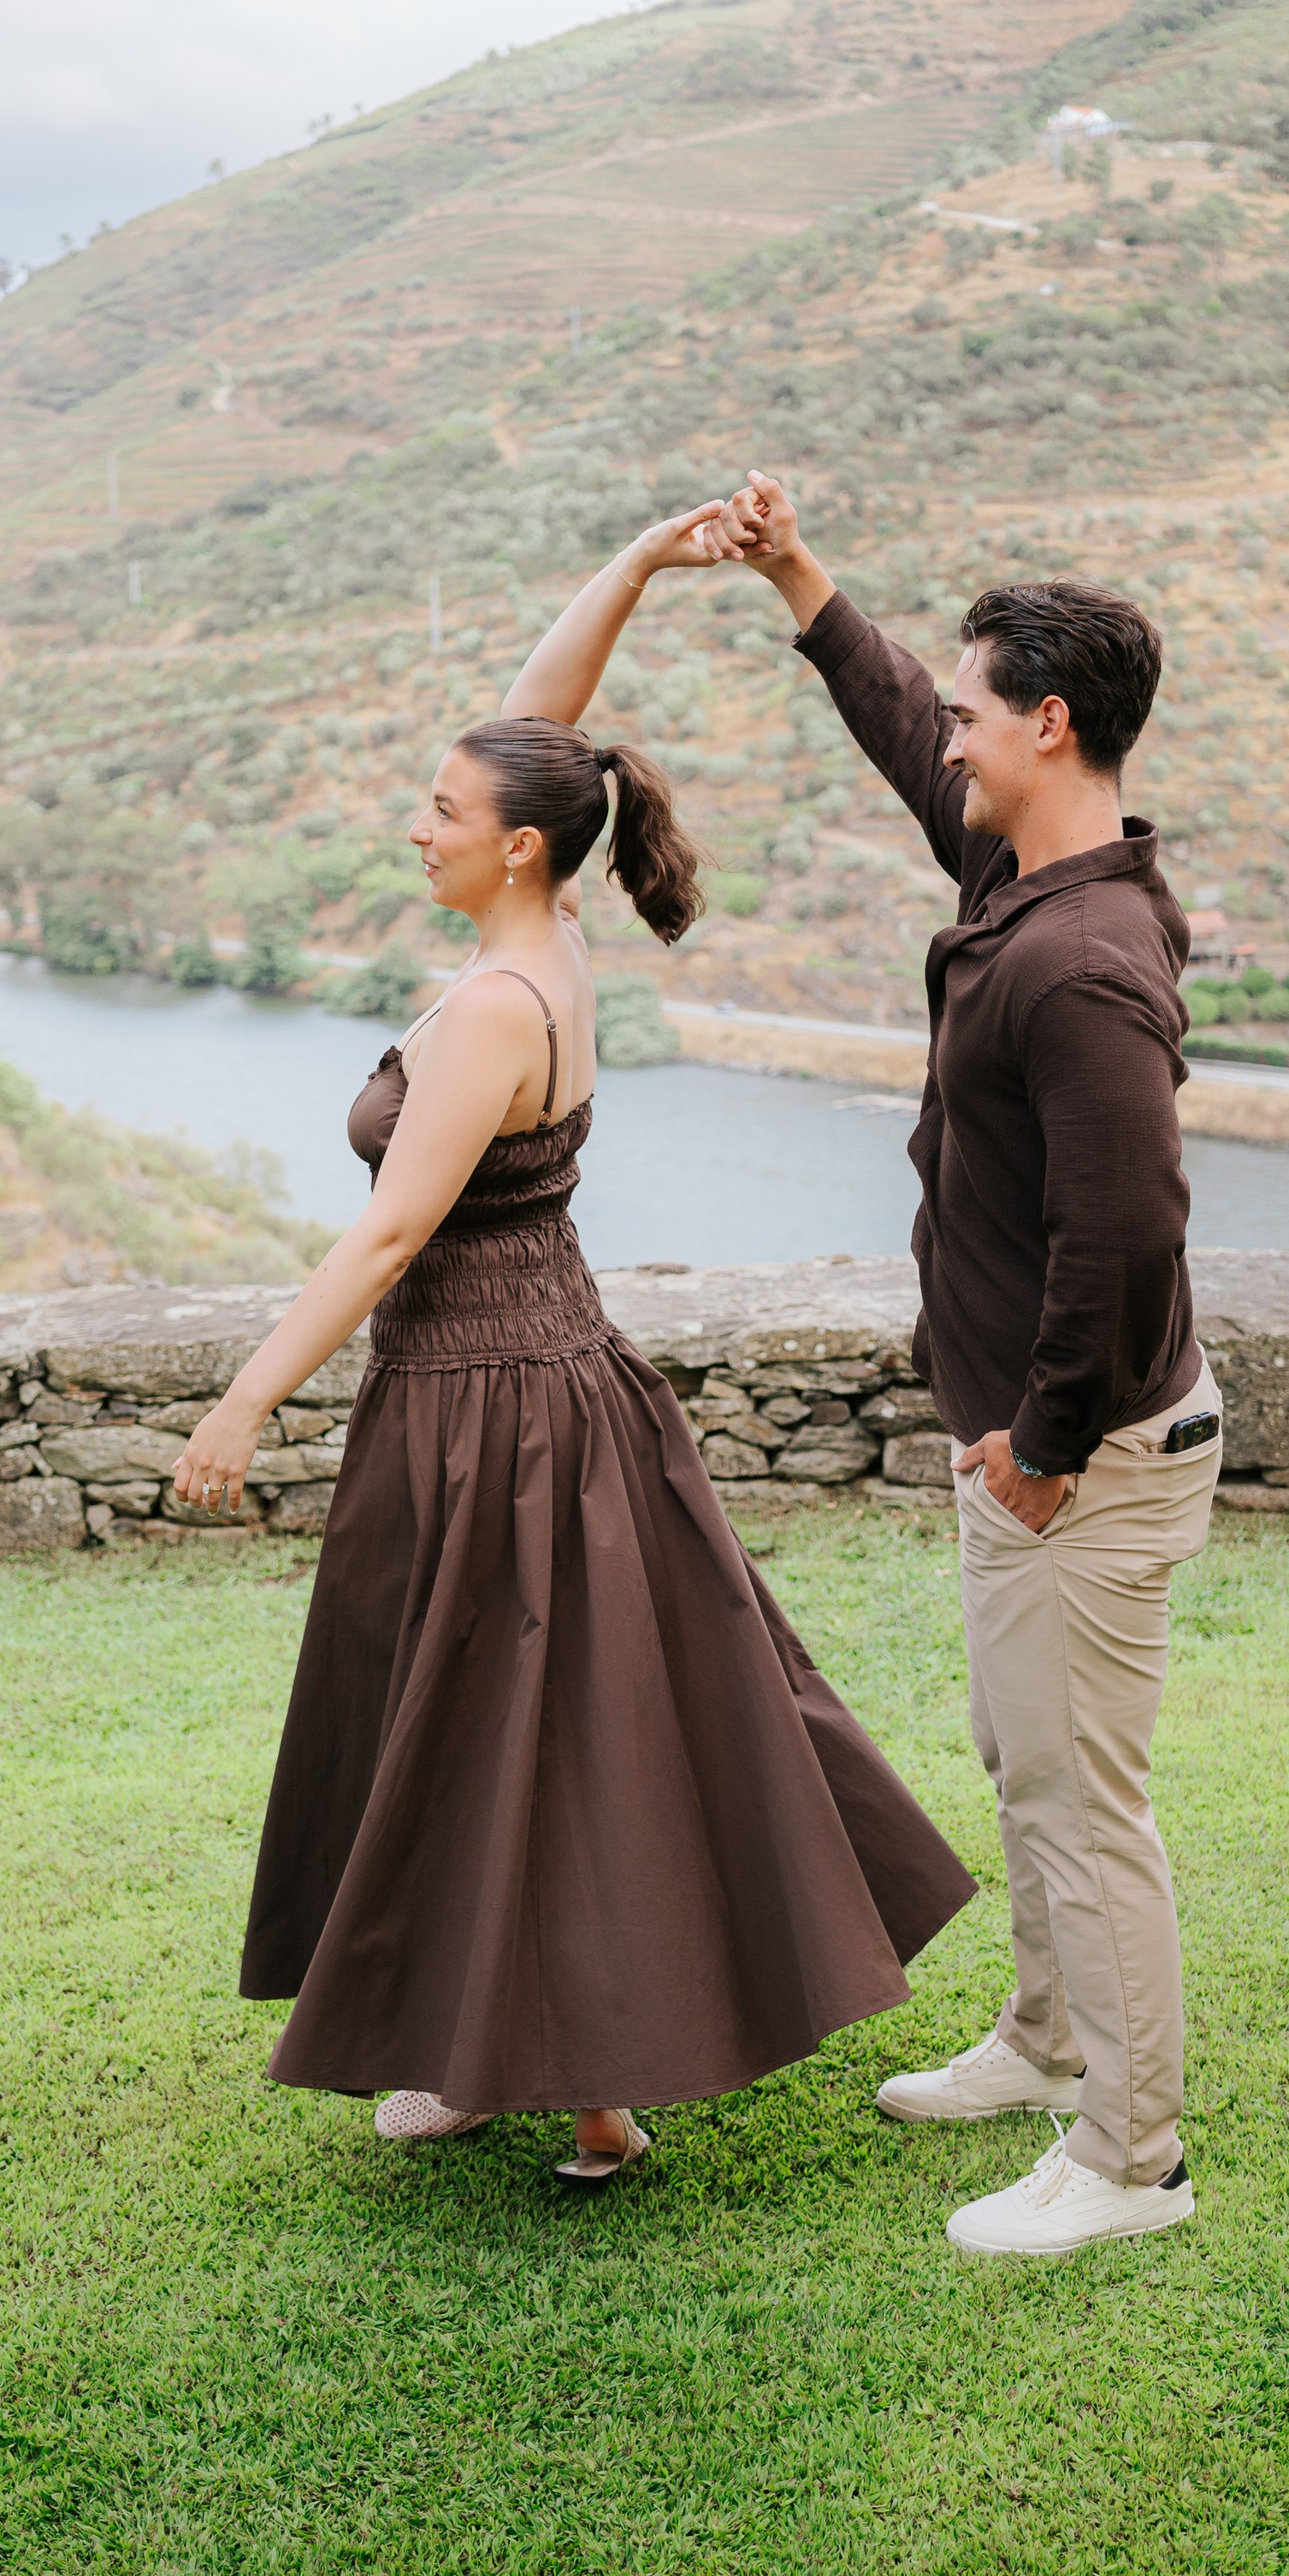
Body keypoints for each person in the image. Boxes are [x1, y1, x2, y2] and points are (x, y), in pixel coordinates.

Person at [174, 505, 974, 2189]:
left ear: (517, 847)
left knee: (514, 1726)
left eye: (440, 811)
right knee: (509, 1725)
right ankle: (513, 2067)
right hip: (543, 1384)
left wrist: (245, 1396)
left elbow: (392, 1233)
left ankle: (582, 2085)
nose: (418, 827)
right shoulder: (546, 946)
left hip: (488, 1407)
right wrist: (633, 564)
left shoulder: (488, 1013)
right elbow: (543, 737)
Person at [718, 470, 1222, 2260]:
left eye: (969, 707)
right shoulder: (1025, 867)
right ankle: (1040, 2041)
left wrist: (1043, 1440)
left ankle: (1129, 2158)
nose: (944, 730)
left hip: (1077, 1458)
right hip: (1030, 1440)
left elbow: (1126, 1230)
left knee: (1082, 1801)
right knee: (1029, 1769)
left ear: (1049, 723)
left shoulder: (1081, 959)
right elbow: (892, 737)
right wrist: (795, 581)